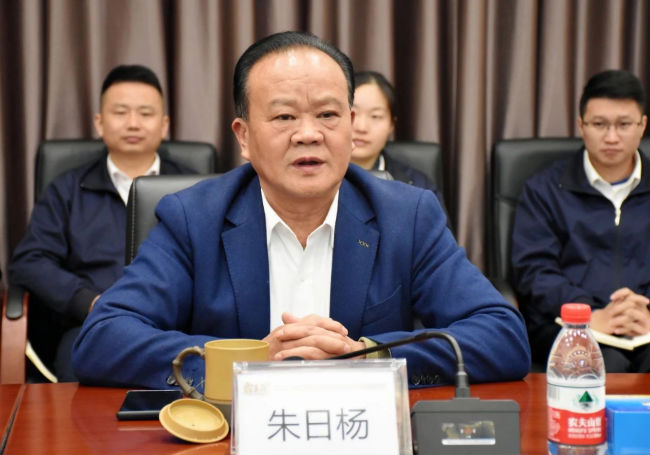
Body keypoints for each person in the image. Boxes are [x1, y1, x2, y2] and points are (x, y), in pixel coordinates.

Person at [72, 31, 529, 389]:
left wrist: (366, 355)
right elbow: (102, 339)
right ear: (244, 136)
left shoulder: (407, 216)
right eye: (284, 117)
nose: (308, 134)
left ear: (351, 126)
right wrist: (250, 361)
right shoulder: (194, 218)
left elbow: (502, 336)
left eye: (328, 115)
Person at [9, 64, 195, 381]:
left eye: (145, 113)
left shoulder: (195, 189)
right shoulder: (68, 189)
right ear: (99, 122)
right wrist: (89, 301)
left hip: (177, 327)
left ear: (164, 125)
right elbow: (30, 261)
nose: (133, 123)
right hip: (91, 326)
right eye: (120, 112)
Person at [511, 69, 650, 372]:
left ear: (642, 125)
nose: (611, 137)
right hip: (565, 323)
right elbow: (534, 271)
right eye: (599, 124)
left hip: (645, 324)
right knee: (602, 363)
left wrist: (643, 312)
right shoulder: (545, 189)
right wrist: (589, 313)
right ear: (581, 126)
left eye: (624, 124)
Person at [351, 71, 445, 207]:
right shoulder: (319, 178)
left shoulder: (418, 187)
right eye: (352, 113)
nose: (361, 127)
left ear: (391, 125)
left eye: (375, 116)